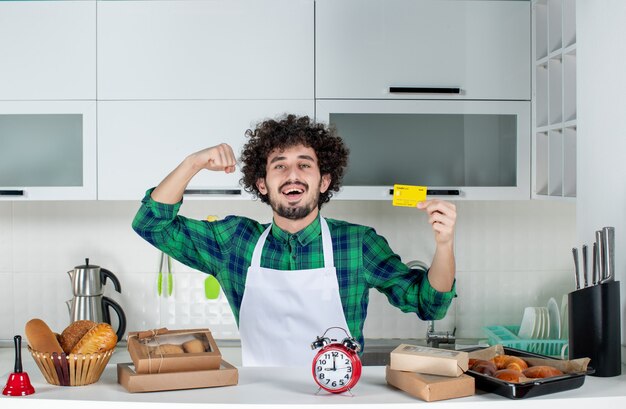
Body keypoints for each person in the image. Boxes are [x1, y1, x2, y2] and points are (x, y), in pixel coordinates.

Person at [132, 114, 457, 367]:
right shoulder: (234, 241)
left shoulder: (357, 244)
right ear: (262, 184)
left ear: (323, 180)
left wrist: (444, 245)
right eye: (280, 166)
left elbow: (428, 303)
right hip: (262, 400)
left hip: (339, 400)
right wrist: (193, 163)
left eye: (304, 164)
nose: (292, 174)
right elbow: (151, 224)